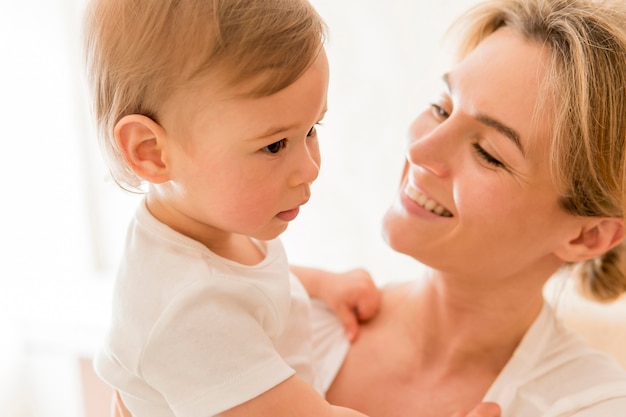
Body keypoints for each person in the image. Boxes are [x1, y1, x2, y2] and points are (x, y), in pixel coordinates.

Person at [83, 0, 500, 416]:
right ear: (151, 151)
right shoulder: (188, 313)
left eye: (312, 130)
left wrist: (320, 284)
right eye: (274, 145)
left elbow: (240, 279)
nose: (310, 168)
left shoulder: (199, 228)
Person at [319, 0, 626, 416]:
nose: (421, 148)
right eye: (441, 108)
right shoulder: (282, 310)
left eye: (488, 153)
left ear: (587, 235)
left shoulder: (593, 405)